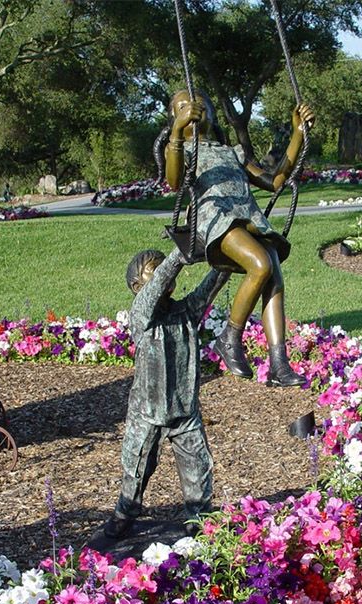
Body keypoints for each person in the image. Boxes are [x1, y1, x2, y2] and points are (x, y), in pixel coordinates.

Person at [158, 90, 314, 386]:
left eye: (200, 105)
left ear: (214, 115)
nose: (193, 108)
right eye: (182, 107)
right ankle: (229, 338)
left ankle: (279, 364)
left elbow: (275, 180)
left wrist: (297, 134)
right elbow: (175, 181)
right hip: (213, 219)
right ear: (174, 117)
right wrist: (178, 132)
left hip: (247, 220)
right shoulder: (180, 149)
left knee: (274, 277)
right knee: (261, 264)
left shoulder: (231, 152)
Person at [104, 248, 229, 538]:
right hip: (148, 413)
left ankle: (198, 518)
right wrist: (178, 256)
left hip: (185, 412)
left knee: (198, 467)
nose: (163, 271)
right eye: (154, 269)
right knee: (136, 467)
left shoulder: (186, 312)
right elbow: (157, 285)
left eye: (163, 265)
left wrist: (226, 260)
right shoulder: (141, 314)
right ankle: (125, 514)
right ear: (137, 287)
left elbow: (211, 285)